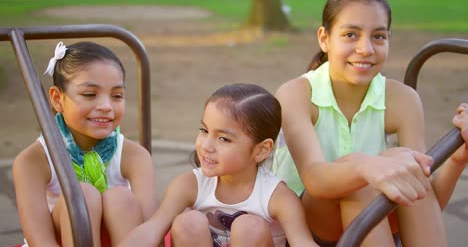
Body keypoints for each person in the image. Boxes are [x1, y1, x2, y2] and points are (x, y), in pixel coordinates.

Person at [272, 0, 467, 246]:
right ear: (324, 38)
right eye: (351, 35)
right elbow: (315, 179)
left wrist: (457, 159)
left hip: (375, 220)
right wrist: (367, 166)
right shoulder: (296, 93)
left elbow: (422, 201)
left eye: (378, 36)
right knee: (369, 176)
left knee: (403, 164)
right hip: (307, 226)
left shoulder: (403, 99)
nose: (366, 49)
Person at [119, 83, 318, 247]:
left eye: (223, 139)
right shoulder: (190, 184)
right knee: (187, 222)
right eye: (204, 130)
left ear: (261, 150)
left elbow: (303, 243)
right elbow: (153, 228)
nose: (206, 146)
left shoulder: (278, 197)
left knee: (248, 227)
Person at [13, 41, 157, 247]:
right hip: (61, 241)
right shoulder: (33, 160)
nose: (106, 106)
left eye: (117, 96)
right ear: (57, 99)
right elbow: (40, 240)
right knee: (83, 195)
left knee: (120, 198)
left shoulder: (135, 156)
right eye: (90, 94)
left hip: (122, 240)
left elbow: (151, 230)